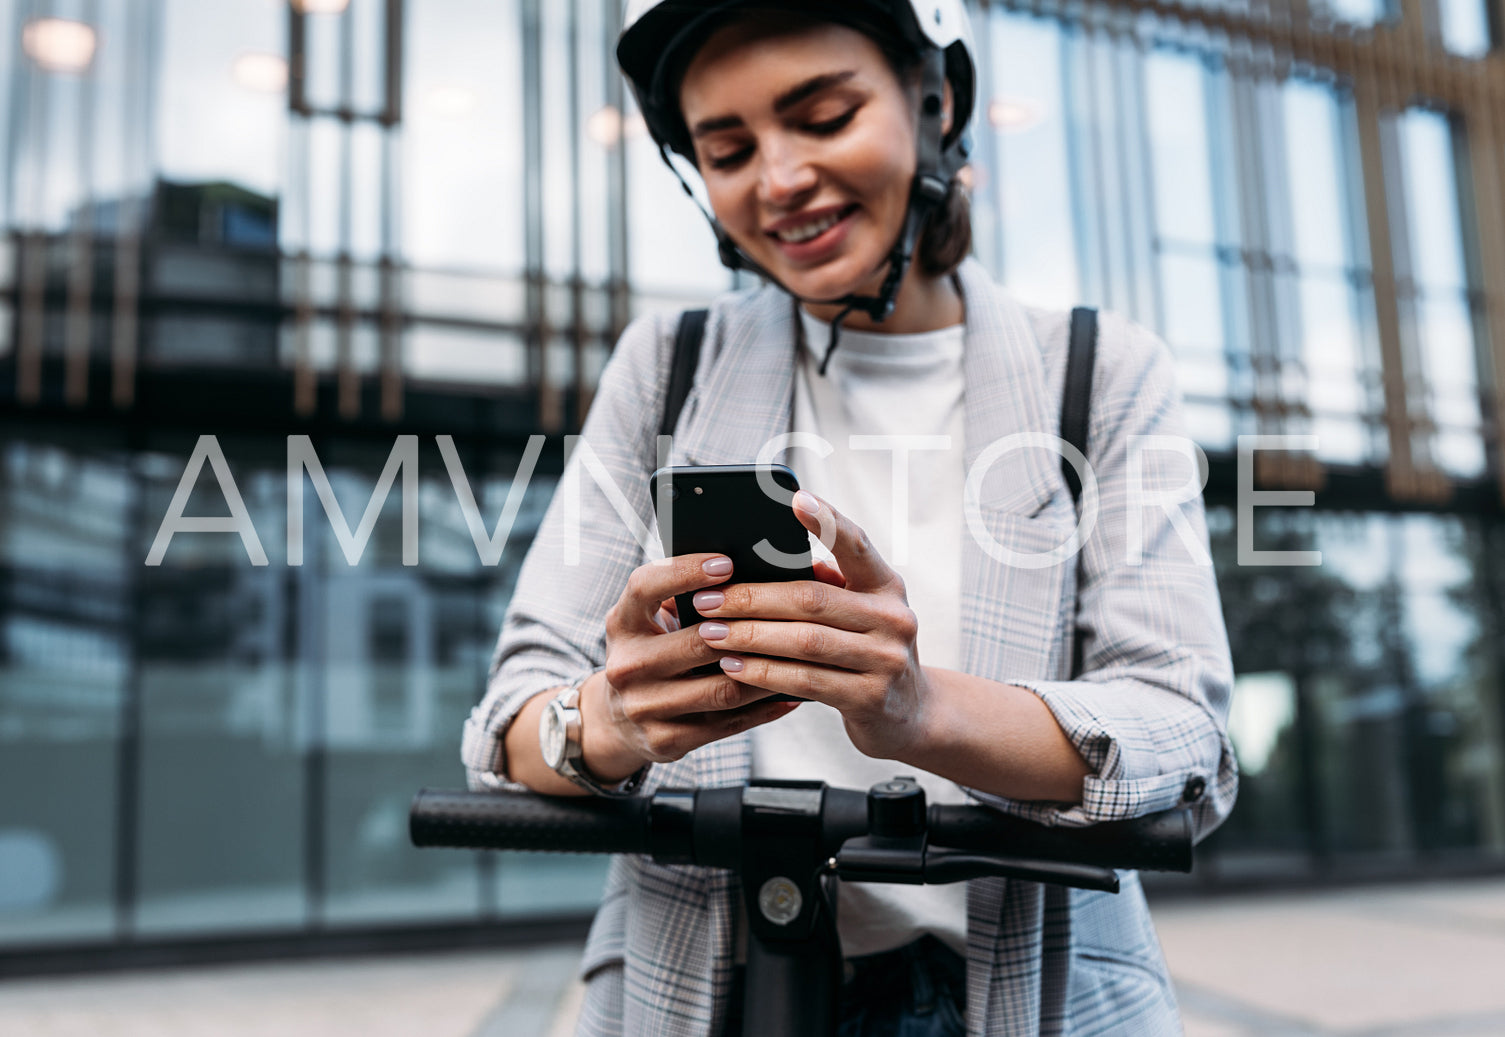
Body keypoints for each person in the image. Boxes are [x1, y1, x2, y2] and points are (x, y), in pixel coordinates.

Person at [462, 1, 1238, 1034]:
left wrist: (918, 711)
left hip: (1017, 996)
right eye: (726, 148)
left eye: (822, 118)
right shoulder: (666, 366)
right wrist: (610, 719)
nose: (777, 181)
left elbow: (1183, 732)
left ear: (934, 101)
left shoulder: (1097, 374)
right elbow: (507, 719)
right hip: (712, 988)